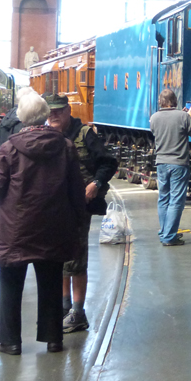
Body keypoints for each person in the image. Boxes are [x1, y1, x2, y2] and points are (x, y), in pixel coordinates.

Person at [0, 92, 86, 356]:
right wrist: (77, 221)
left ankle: (11, 341)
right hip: (53, 225)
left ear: (20, 116)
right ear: (44, 116)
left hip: (15, 228)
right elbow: (76, 189)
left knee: (10, 282)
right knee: (51, 280)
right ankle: (54, 338)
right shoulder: (65, 147)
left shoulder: (9, 147)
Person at [45, 93, 118, 334]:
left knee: (76, 257)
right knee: (58, 256)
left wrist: (95, 184)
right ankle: (65, 306)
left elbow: (108, 162)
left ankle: (78, 311)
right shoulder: (45, 135)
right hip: (54, 205)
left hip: (79, 205)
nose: (54, 116)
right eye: (50, 112)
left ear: (68, 111)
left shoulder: (85, 134)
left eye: (58, 111)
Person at [150, 89, 191, 246]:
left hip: (161, 163)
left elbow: (157, 132)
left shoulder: (154, 118)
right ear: (175, 101)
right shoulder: (183, 117)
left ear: (161, 102)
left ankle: (165, 232)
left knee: (163, 198)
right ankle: (169, 237)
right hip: (178, 163)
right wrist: (189, 118)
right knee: (176, 200)